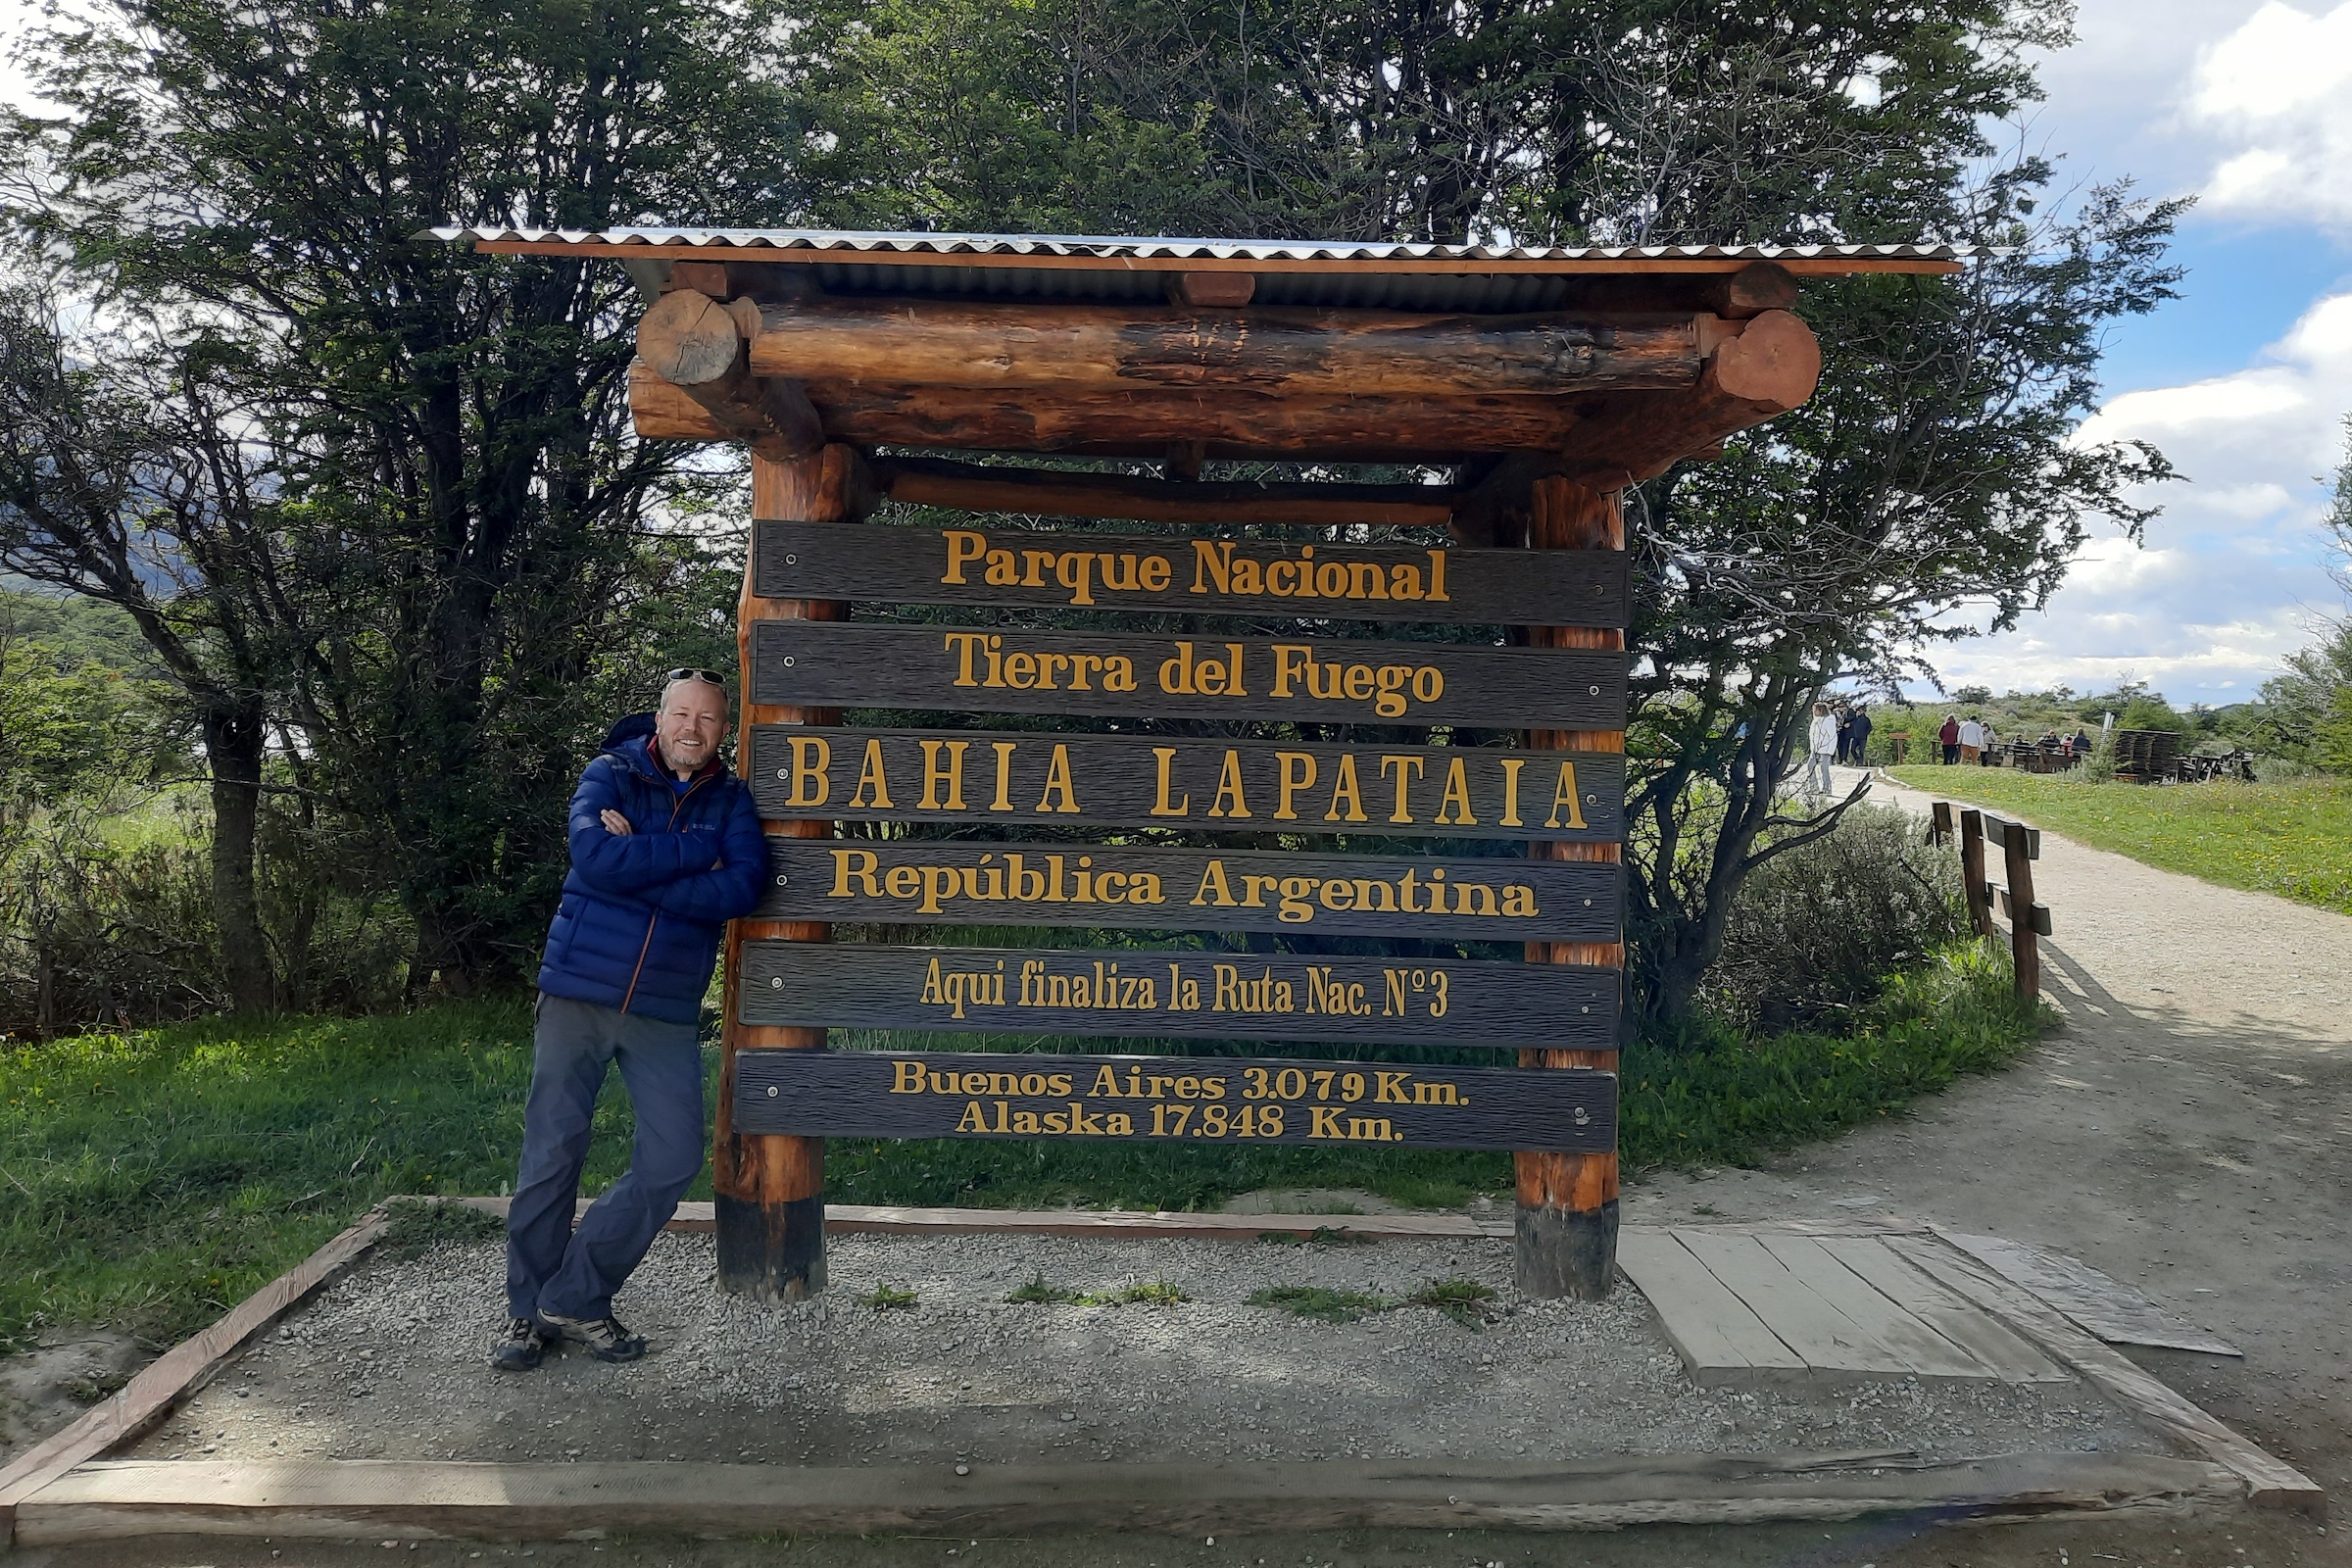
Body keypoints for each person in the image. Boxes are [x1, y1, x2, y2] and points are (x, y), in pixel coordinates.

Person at [496, 670, 768, 1372]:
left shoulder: (731, 799)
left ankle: (575, 1293)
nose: (693, 728)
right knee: (552, 1154)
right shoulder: (609, 773)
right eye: (682, 713)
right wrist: (691, 854)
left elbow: (741, 886)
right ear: (660, 717)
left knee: (674, 1156)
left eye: (708, 719)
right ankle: (525, 1316)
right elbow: (593, 856)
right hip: (577, 994)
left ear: (722, 730)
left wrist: (637, 862)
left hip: (665, 1008)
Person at [1804, 701, 1838, 796]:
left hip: (1825, 750)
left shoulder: (1829, 720)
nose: (1813, 711)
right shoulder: (1816, 720)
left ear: (1820, 710)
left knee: (1824, 769)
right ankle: (1814, 787)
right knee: (1810, 765)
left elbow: (1832, 736)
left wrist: (1830, 750)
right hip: (1815, 749)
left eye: (1815, 710)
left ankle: (1827, 789)